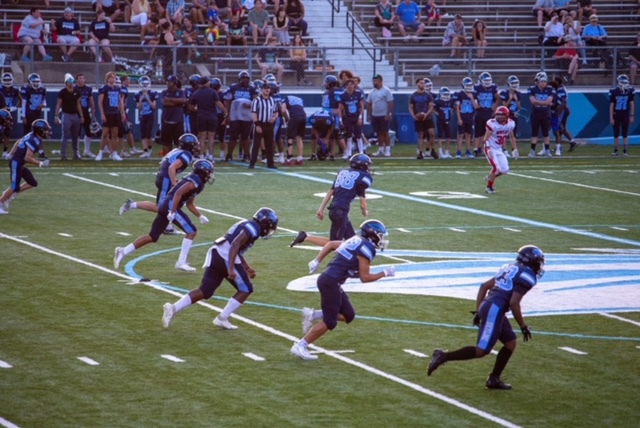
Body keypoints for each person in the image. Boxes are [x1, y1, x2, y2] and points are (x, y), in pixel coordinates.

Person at [427, 246, 545, 390]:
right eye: (538, 262)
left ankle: (494, 379)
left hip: (490, 306)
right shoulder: (527, 276)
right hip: (495, 309)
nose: (539, 266)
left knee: (510, 343)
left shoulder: (510, 268)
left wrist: (478, 311)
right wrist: (523, 326)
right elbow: (514, 303)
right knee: (481, 350)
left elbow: (484, 287)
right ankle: (443, 356)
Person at [290, 220, 395, 361]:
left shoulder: (356, 240)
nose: (382, 240)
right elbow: (365, 278)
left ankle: (313, 315)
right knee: (330, 321)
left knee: (348, 315)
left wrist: (317, 260)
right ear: (373, 235)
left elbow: (332, 244)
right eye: (381, 236)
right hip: (330, 282)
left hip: (330, 280)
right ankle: (301, 345)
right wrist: (385, 273)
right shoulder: (366, 249)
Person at [161, 207, 279, 330]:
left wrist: (246, 267)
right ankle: (222, 318)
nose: (269, 230)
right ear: (265, 223)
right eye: (270, 227)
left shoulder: (248, 224)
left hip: (217, 253)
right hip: (225, 257)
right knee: (246, 289)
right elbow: (234, 245)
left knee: (205, 291)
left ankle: (173, 308)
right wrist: (231, 269)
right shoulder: (254, 229)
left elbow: (235, 246)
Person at [115, 159, 214, 271]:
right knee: (191, 231)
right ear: (203, 171)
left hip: (167, 205)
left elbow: (189, 203)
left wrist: (200, 215)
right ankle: (181, 262)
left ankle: (123, 251)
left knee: (152, 237)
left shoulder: (197, 182)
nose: (210, 175)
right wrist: (172, 211)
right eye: (209, 172)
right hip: (170, 206)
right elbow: (178, 193)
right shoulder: (194, 180)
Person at [120, 133, 199, 234]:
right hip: (166, 179)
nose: (196, 146)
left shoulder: (177, 151)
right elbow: (171, 167)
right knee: (162, 207)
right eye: (194, 144)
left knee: (165, 206)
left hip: (163, 177)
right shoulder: (186, 154)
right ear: (189, 145)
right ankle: (132, 205)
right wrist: (174, 181)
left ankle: (167, 227)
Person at [0, 119, 51, 215]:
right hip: (16, 163)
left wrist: (11, 153)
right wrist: (40, 164)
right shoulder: (34, 139)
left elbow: (19, 140)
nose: (47, 132)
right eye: (45, 130)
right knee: (14, 186)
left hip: (19, 163)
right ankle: (2, 201)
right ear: (39, 130)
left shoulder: (33, 136)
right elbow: (27, 157)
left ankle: (9, 195)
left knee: (32, 182)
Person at [317, 154, 373, 240]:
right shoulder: (363, 177)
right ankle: (305, 237)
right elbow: (362, 201)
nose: (368, 167)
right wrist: (365, 211)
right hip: (340, 211)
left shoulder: (343, 172)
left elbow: (331, 192)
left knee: (352, 240)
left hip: (335, 209)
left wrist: (321, 209)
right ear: (362, 165)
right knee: (334, 243)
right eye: (367, 165)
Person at [481, 106, 519, 194]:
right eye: (497, 115)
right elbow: (485, 138)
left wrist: (515, 149)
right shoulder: (492, 123)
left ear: (506, 116)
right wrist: (488, 149)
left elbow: (512, 137)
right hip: (490, 148)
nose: (499, 117)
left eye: (501, 115)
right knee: (496, 168)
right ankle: (489, 187)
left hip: (498, 149)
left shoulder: (511, 124)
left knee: (505, 169)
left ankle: (490, 176)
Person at [190, 76, 227, 161]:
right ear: (207, 83)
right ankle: (210, 156)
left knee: (202, 137)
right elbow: (219, 104)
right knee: (211, 137)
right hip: (212, 116)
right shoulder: (213, 92)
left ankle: (201, 156)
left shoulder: (196, 93)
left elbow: (191, 106)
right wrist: (225, 111)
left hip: (201, 116)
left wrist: (197, 109)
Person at [224, 71, 257, 162]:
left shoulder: (252, 88)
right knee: (233, 136)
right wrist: (227, 115)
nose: (245, 80)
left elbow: (256, 101)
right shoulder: (233, 87)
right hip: (235, 115)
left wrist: (250, 105)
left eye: (247, 78)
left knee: (245, 136)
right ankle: (229, 154)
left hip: (247, 116)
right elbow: (227, 101)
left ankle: (246, 155)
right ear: (239, 79)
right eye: (243, 78)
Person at [249, 80, 279, 169]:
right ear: (261, 90)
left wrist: (274, 118)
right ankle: (252, 163)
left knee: (270, 144)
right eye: (265, 88)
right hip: (260, 123)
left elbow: (276, 112)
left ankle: (270, 163)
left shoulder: (272, 100)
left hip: (269, 125)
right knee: (256, 144)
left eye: (268, 88)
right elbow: (254, 114)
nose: (267, 90)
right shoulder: (256, 101)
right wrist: (257, 125)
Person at [96, 72, 125, 161]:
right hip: (107, 113)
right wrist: (102, 114)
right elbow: (100, 102)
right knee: (105, 134)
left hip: (115, 113)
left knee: (115, 134)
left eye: (114, 77)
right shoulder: (104, 89)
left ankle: (114, 153)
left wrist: (122, 112)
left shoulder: (117, 88)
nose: (113, 79)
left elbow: (120, 101)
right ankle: (100, 152)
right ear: (107, 79)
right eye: (111, 77)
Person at [54, 74, 83, 161]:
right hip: (66, 115)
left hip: (75, 115)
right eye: (69, 82)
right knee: (65, 135)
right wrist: (56, 115)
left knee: (75, 136)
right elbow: (59, 104)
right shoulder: (62, 92)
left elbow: (78, 104)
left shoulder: (77, 91)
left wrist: (81, 116)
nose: (70, 83)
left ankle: (76, 154)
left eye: (71, 82)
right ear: (66, 82)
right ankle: (63, 154)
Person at [528, 71, 555, 158]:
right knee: (534, 133)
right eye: (541, 81)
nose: (543, 83)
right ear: (537, 81)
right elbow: (533, 101)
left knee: (546, 133)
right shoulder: (532, 89)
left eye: (544, 81)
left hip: (545, 113)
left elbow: (549, 102)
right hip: (536, 113)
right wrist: (545, 103)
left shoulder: (550, 89)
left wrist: (539, 102)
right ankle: (532, 151)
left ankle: (547, 150)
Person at [159, 75, 187, 157]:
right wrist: (177, 103)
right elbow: (164, 102)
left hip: (178, 120)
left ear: (174, 83)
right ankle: (167, 158)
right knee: (166, 142)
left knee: (179, 142)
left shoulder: (181, 92)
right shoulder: (164, 92)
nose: (167, 83)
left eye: (170, 82)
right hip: (166, 120)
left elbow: (183, 101)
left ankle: (179, 158)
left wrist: (170, 99)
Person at [367, 75, 394, 157]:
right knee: (378, 133)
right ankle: (381, 149)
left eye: (376, 81)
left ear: (380, 81)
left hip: (383, 115)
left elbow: (390, 102)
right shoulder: (372, 92)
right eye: (373, 81)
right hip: (375, 115)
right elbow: (369, 103)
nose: (374, 83)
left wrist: (388, 113)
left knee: (385, 132)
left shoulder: (386, 91)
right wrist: (369, 114)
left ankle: (388, 150)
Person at [473, 71, 499, 157]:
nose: (488, 82)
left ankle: (482, 148)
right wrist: (476, 104)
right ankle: (476, 149)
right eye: (486, 80)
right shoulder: (477, 88)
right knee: (478, 132)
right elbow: (474, 98)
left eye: (489, 80)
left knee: (486, 132)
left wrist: (494, 107)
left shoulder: (493, 88)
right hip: (480, 112)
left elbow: (498, 98)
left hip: (489, 113)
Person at [409, 77, 435, 160]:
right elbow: (410, 107)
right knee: (421, 135)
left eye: (423, 83)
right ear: (417, 84)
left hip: (428, 117)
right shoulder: (413, 96)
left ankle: (432, 150)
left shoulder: (428, 95)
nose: (423, 84)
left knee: (431, 134)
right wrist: (414, 116)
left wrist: (426, 114)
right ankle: (420, 152)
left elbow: (431, 106)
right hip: (418, 118)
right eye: (421, 83)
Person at [609, 75, 635, 157]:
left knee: (625, 133)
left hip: (625, 114)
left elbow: (631, 103)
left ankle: (625, 151)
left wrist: (632, 115)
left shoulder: (630, 91)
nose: (624, 84)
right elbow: (611, 105)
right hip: (616, 114)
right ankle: (616, 150)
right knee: (616, 133)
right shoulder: (614, 91)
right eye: (623, 82)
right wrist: (611, 117)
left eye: (625, 82)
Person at [454, 77, 478, 159]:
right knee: (460, 135)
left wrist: (471, 98)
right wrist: (459, 118)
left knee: (469, 135)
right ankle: (459, 151)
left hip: (470, 117)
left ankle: (468, 151)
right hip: (462, 116)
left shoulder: (474, 94)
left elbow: (476, 107)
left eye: (470, 85)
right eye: (467, 85)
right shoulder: (459, 94)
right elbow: (457, 107)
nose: (469, 86)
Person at [280, 92, 307, 165]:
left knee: (290, 137)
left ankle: (289, 158)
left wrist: (286, 118)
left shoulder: (285, 99)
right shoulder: (299, 99)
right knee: (299, 137)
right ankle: (300, 158)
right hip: (303, 116)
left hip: (294, 117)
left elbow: (283, 110)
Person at [134, 75, 158, 158]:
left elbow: (154, 106)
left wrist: (148, 98)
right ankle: (145, 151)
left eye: (146, 85)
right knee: (143, 134)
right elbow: (139, 107)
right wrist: (141, 99)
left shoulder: (153, 93)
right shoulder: (138, 94)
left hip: (150, 115)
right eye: (143, 85)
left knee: (148, 134)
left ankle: (150, 149)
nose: (144, 87)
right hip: (142, 116)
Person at [0, 73, 21, 160]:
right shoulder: (0, 90)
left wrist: (15, 107)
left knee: (7, 133)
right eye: (6, 80)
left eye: (9, 80)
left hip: (9, 114)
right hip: (1, 112)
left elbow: (20, 99)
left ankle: (5, 151)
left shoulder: (15, 90)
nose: (8, 82)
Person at [433, 86, 454, 159]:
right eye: (444, 94)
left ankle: (447, 152)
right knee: (440, 137)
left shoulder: (451, 101)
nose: (446, 96)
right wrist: (438, 114)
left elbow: (453, 109)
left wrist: (451, 113)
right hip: (440, 121)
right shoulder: (437, 101)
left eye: (447, 94)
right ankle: (440, 152)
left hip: (448, 120)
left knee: (448, 137)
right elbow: (432, 108)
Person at [499, 76, 522, 141]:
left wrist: (516, 100)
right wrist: (510, 99)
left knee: (513, 133)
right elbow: (504, 107)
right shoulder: (504, 93)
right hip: (505, 115)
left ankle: (513, 149)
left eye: (516, 83)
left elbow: (519, 107)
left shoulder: (518, 93)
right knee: (503, 133)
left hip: (514, 115)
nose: (514, 85)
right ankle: (504, 149)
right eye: (513, 83)